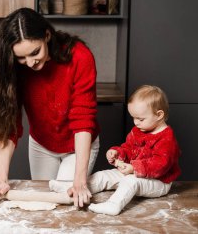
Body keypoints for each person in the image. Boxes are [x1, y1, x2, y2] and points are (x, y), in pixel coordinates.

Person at [0, 8, 100, 207]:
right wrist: (0, 178)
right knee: (44, 206)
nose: (30, 63)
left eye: (35, 52)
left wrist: (80, 180)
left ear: (47, 35)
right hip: (41, 144)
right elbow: (9, 122)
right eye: (21, 58)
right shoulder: (15, 69)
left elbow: (83, 120)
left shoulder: (80, 56)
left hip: (78, 144)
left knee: (66, 201)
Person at [50, 85, 181, 215]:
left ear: (159, 115)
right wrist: (118, 153)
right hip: (133, 172)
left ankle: (113, 205)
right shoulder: (139, 130)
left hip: (159, 182)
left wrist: (134, 168)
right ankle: (72, 187)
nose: (136, 123)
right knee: (103, 175)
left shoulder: (167, 138)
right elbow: (129, 148)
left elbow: (161, 164)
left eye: (140, 119)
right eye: (133, 118)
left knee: (130, 181)